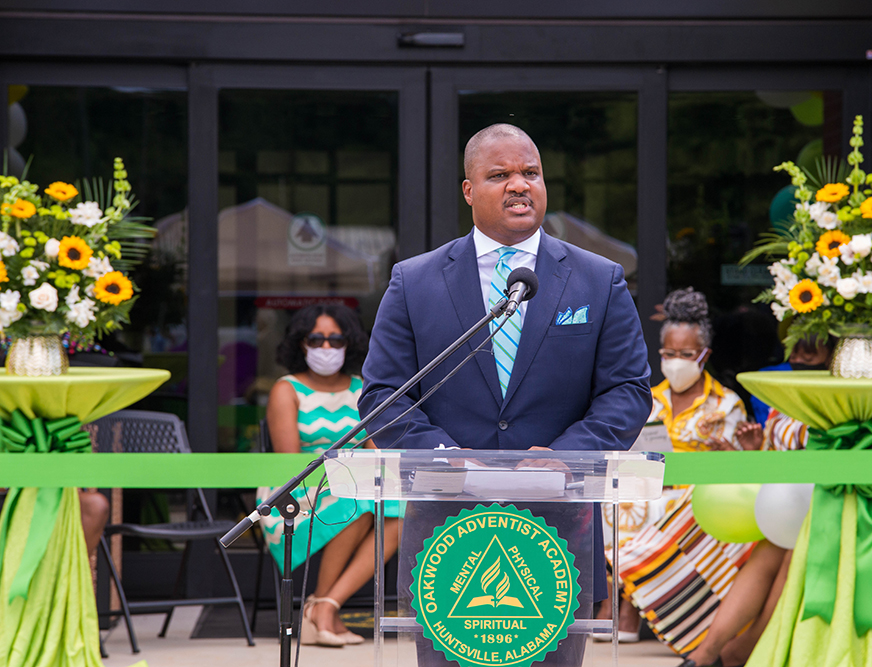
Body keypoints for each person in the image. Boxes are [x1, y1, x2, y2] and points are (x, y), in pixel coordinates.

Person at [359, 123, 652, 665]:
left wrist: (566, 455)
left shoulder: (598, 279)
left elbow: (628, 389)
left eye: (530, 173)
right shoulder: (414, 280)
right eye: (500, 175)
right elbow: (383, 394)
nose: (519, 185)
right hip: (447, 533)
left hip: (560, 529)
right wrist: (446, 459)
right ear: (469, 190)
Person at [681, 340, 872, 667]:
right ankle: (706, 652)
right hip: (838, 503)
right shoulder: (853, 400)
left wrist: (842, 511)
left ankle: (745, 651)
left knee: (801, 544)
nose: (860, 363)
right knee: (771, 546)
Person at [610, 288, 759, 655]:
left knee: (670, 506)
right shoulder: (647, 400)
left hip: (697, 496)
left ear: (704, 355)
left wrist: (729, 453)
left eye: (686, 355)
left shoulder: (726, 403)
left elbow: (738, 470)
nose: (676, 362)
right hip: (649, 488)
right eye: (669, 354)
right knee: (618, 499)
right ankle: (624, 598)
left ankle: (631, 605)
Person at [259, 303, 401, 648]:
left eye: (335, 340)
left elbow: (374, 451)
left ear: (349, 343)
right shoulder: (286, 389)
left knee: (401, 511)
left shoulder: (361, 388)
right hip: (294, 496)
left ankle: (325, 605)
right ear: (301, 343)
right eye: (316, 339)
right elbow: (290, 468)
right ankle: (323, 611)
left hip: (350, 487)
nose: (326, 348)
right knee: (356, 497)